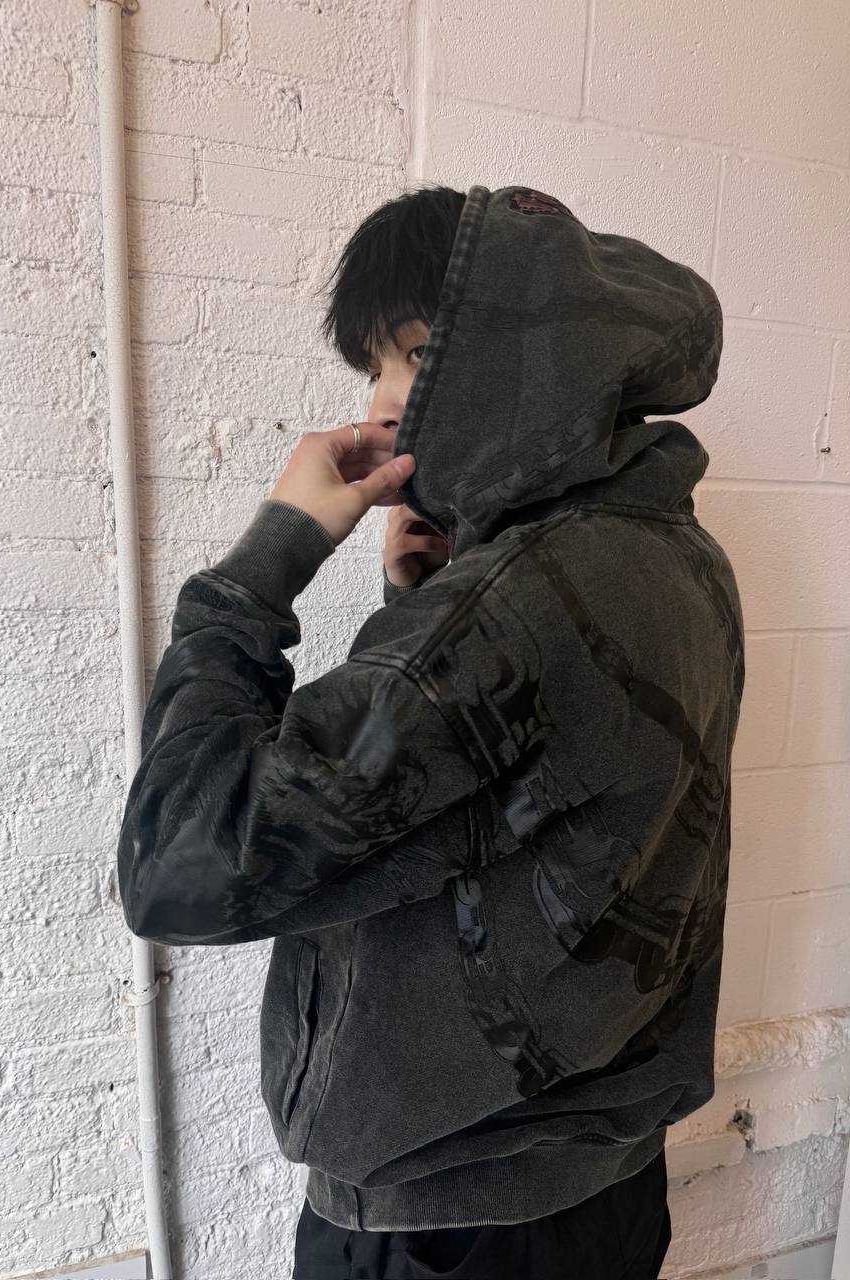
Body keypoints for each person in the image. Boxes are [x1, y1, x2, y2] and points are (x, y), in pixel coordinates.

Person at [116, 182, 745, 1279]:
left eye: (414, 355)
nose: (386, 403)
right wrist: (428, 605)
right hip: (606, 1190)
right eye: (376, 367)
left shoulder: (509, 610)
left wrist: (267, 560)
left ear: (527, 357)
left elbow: (179, 865)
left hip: (453, 1231)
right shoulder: (675, 549)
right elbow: (520, 808)